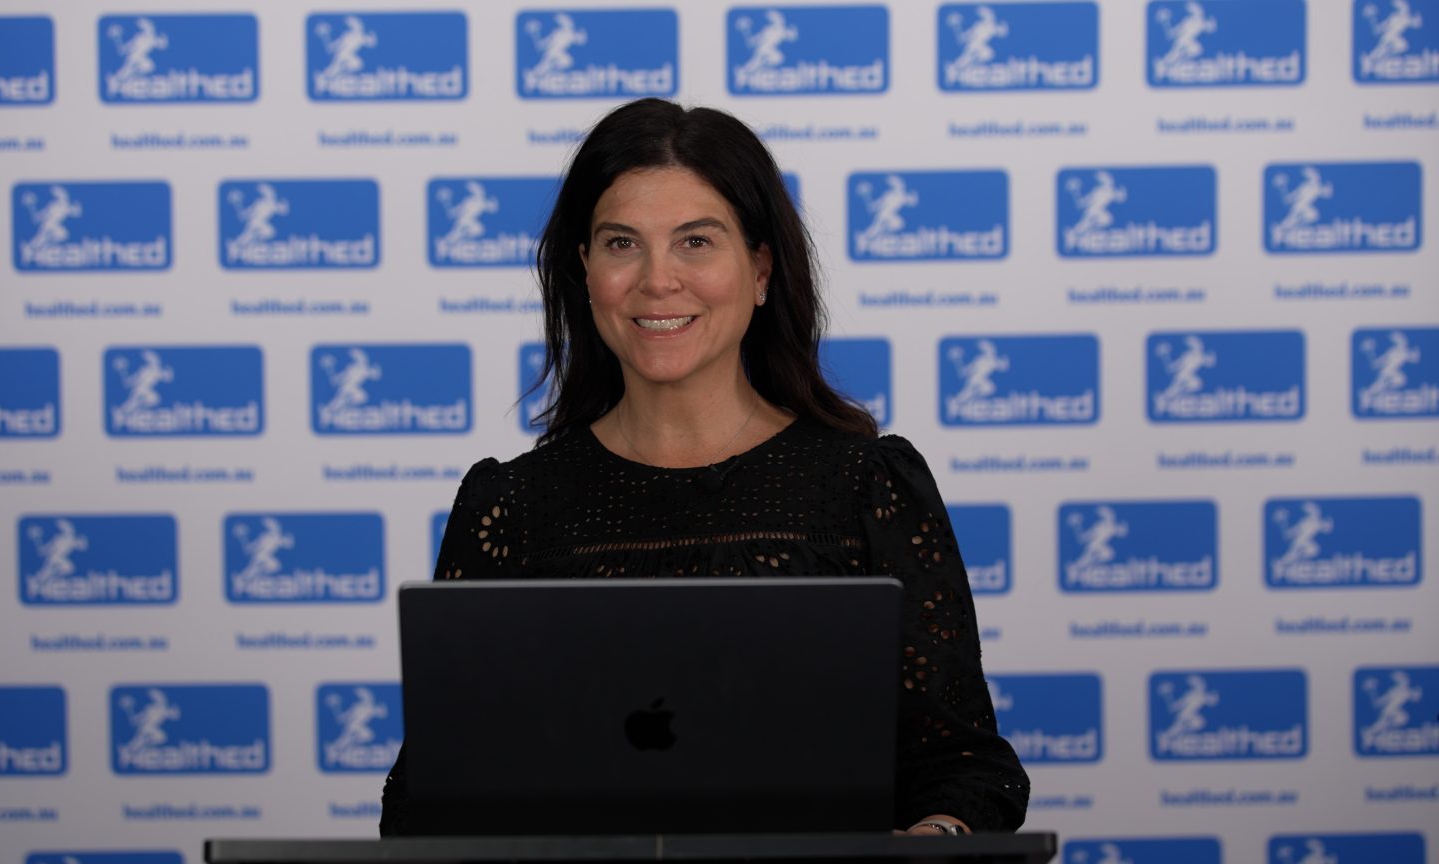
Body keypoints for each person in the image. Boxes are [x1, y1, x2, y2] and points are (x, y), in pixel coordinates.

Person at [380, 98, 1029, 836]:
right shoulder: (510, 507)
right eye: (622, 243)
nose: (658, 280)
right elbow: (426, 800)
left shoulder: (867, 486)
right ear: (585, 270)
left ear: (760, 269)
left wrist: (930, 839)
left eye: (695, 241)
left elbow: (965, 769)